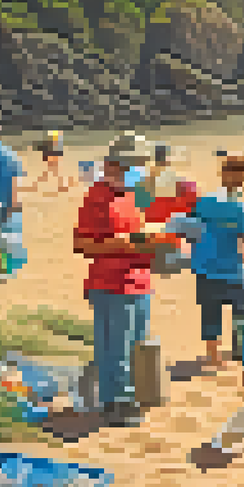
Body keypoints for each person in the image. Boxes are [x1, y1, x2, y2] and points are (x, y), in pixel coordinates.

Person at [72, 131, 165, 427]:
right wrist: (121, 244)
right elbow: (82, 244)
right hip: (110, 284)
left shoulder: (131, 195)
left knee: (137, 345)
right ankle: (115, 404)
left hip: (140, 281)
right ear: (115, 164)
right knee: (115, 347)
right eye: (134, 164)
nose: (138, 170)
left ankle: (131, 397)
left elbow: (138, 233)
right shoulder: (97, 197)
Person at [192, 152, 244, 369]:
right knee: (243, 311)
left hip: (205, 267)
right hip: (232, 270)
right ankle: (241, 354)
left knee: (210, 312)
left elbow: (191, 226)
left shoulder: (205, 201)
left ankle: (213, 356)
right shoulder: (242, 208)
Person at [0, 128, 26, 281]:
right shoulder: (10, 154)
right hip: (6, 199)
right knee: (6, 235)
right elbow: (15, 178)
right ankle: (5, 268)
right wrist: (14, 201)